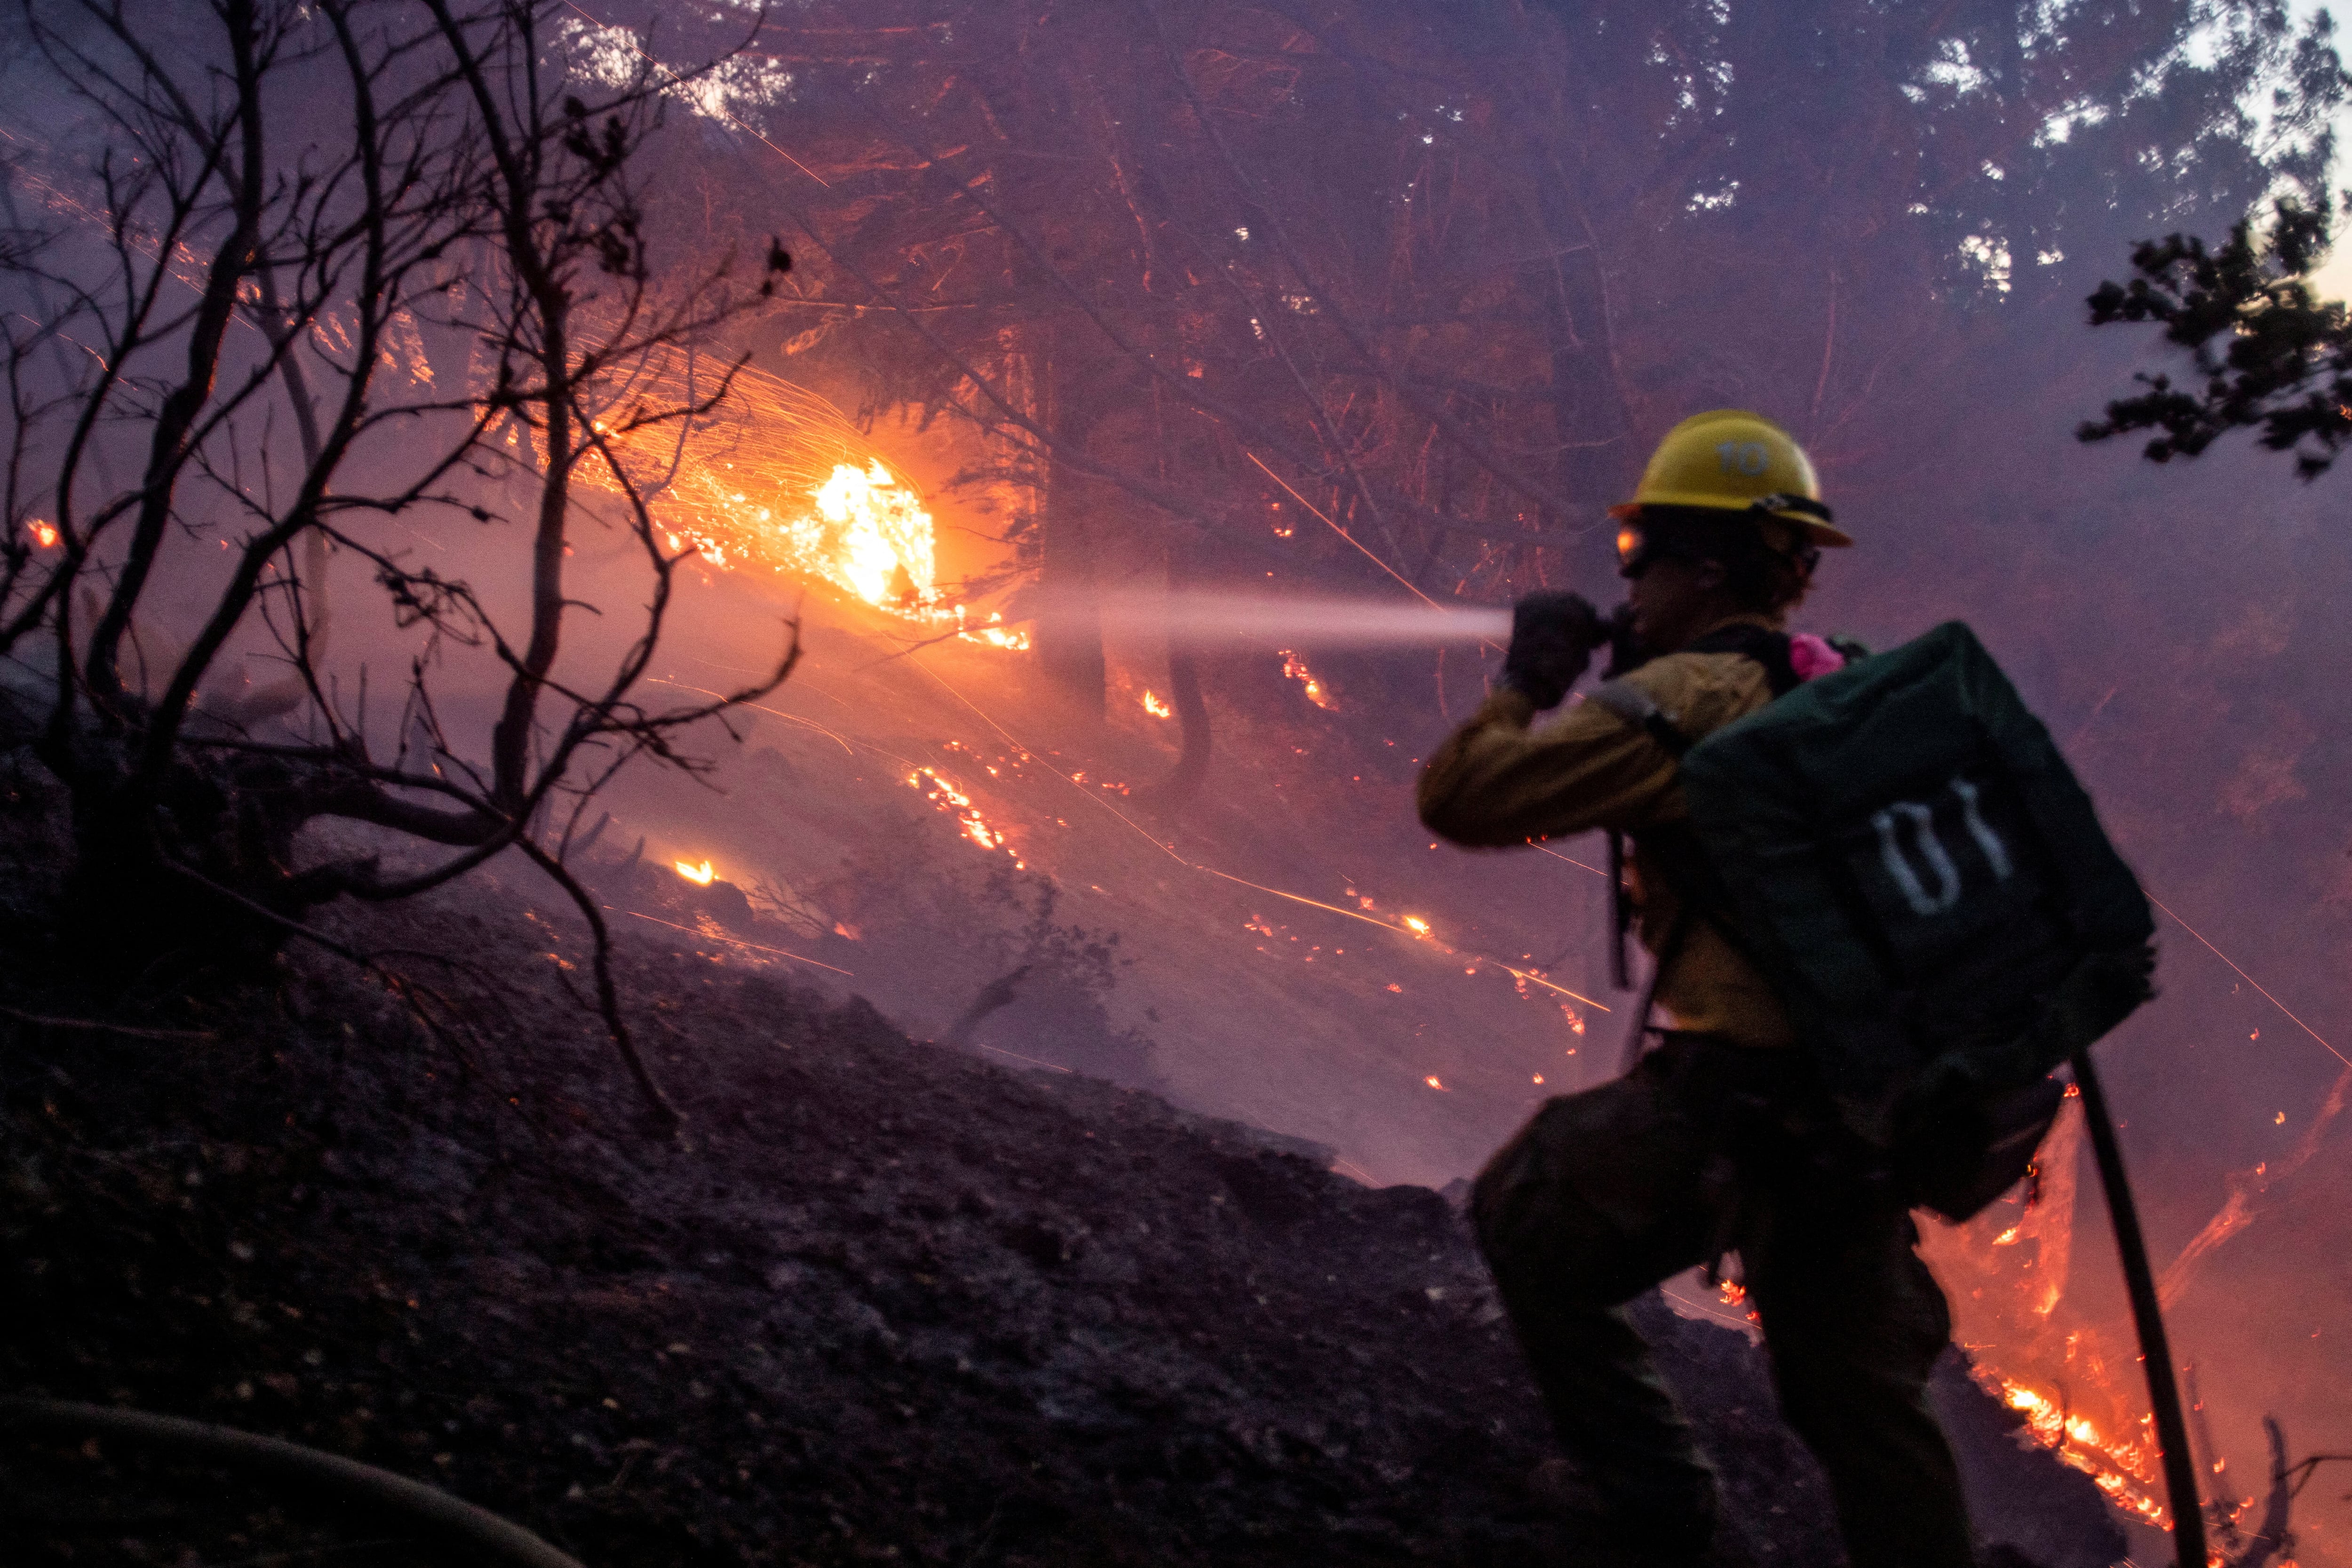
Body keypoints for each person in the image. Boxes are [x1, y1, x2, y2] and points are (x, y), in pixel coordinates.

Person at [1415, 410, 1975, 1568]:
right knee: (1862, 1403)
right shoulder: (1850, 685)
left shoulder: (1691, 701)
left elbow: (1463, 796)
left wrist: (1526, 682)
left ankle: (1658, 1504)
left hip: (1741, 1093)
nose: (1630, 577)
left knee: (1529, 1208)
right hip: (1868, 1103)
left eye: (1640, 554)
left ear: (1701, 562)